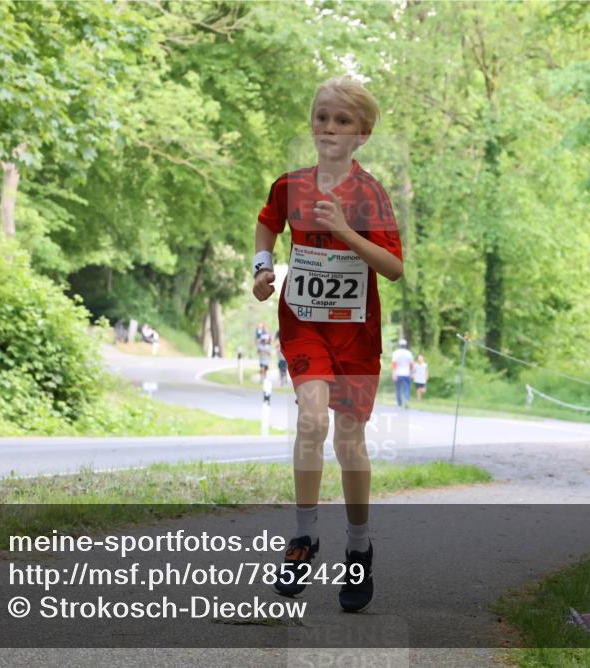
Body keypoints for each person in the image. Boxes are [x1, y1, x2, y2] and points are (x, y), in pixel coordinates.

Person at [252, 75, 403, 612]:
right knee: (311, 420)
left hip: (357, 332)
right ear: (311, 123)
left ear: (362, 134)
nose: (330, 128)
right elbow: (266, 227)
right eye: (322, 117)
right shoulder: (289, 185)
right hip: (305, 322)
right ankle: (304, 536)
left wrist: (344, 229)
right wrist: (262, 269)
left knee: (349, 443)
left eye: (342, 121)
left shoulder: (370, 193)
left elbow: (394, 269)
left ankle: (358, 547)